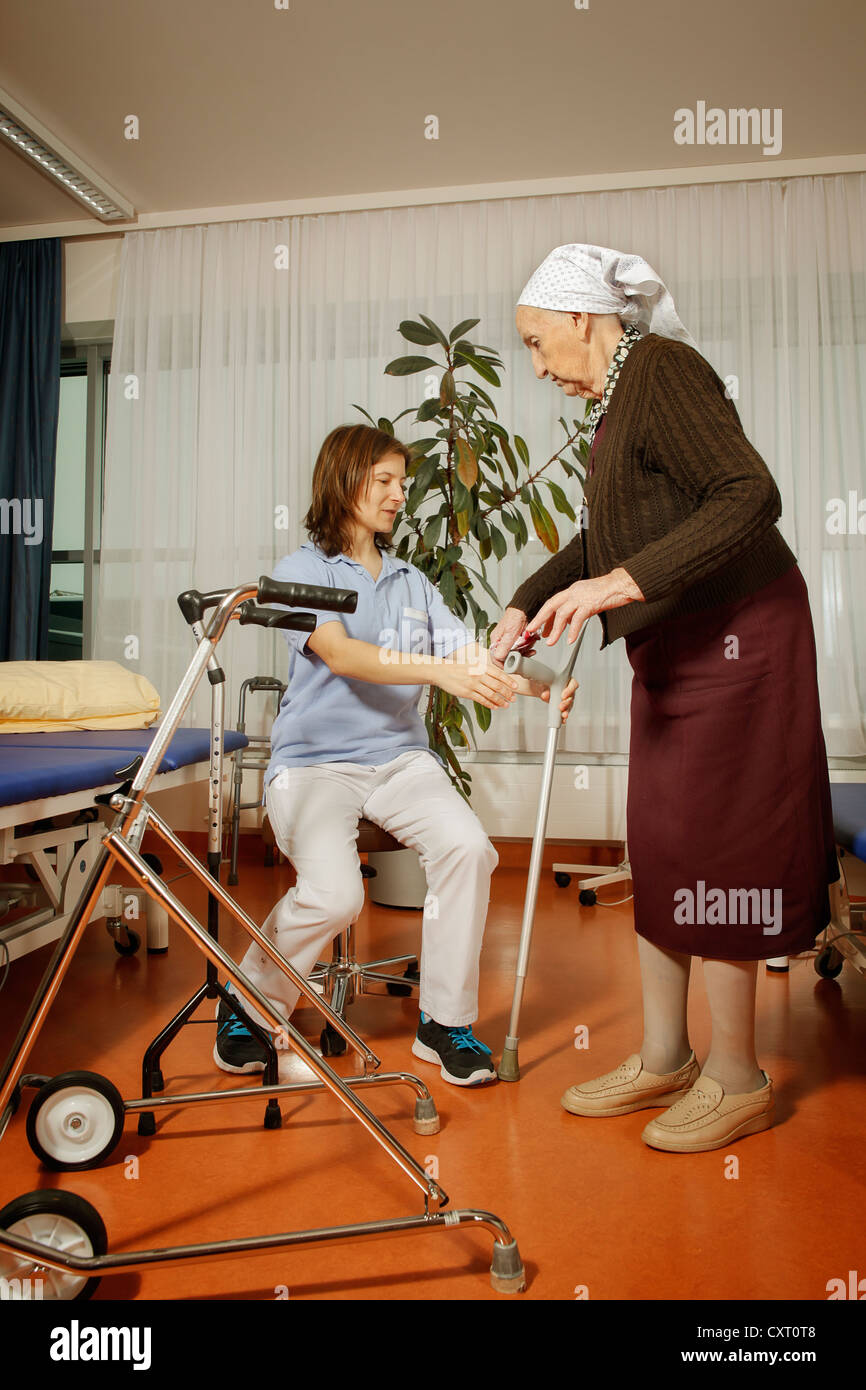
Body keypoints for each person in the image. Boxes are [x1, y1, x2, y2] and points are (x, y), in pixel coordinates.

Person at [489, 243, 838, 1151]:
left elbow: (749, 493)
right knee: (664, 840)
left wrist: (619, 584)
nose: (536, 366)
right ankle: (663, 1057)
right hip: (676, 647)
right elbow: (605, 535)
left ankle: (738, 1077)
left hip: (743, 634)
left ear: (579, 316)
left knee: (722, 846)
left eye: (536, 343)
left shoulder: (663, 369)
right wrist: (524, 601)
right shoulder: (613, 405)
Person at [216, 423, 577, 1086]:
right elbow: (341, 653)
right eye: (383, 480)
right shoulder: (303, 572)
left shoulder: (412, 583)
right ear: (343, 480)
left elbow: (470, 657)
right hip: (315, 762)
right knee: (333, 895)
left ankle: (443, 1024)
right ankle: (246, 1002)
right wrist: (440, 673)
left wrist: (535, 683)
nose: (396, 495)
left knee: (469, 849)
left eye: (401, 483)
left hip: (398, 759)